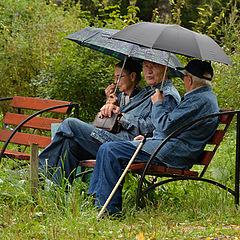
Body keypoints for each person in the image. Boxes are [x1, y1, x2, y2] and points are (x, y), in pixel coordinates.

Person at [88, 59, 219, 215]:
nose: (183, 81)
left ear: (189, 79)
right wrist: (146, 139)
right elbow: (174, 128)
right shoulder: (203, 98)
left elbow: (164, 125)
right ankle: (97, 202)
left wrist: (158, 103)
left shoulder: (198, 100)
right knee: (108, 149)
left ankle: (108, 211)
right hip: (167, 147)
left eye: (183, 77)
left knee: (109, 150)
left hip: (171, 153)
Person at [39, 59, 181, 185]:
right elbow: (124, 115)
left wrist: (121, 116)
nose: (148, 71)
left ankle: (39, 170)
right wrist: (111, 106)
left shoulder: (167, 96)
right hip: (117, 137)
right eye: (146, 66)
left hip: (128, 145)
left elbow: (155, 128)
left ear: (166, 68)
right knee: (70, 144)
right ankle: (56, 195)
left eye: (154, 66)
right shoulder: (148, 92)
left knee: (70, 124)